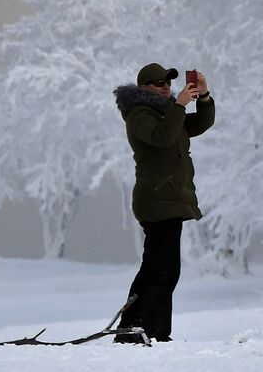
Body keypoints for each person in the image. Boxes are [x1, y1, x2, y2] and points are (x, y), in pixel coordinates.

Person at [111, 63, 215, 344]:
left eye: (168, 83)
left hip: (167, 199)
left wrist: (203, 98)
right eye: (159, 83)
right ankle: (152, 332)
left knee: (154, 268)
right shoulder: (139, 114)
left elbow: (198, 125)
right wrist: (179, 105)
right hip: (157, 200)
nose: (166, 87)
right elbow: (162, 137)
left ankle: (132, 330)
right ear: (144, 88)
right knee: (164, 270)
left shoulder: (166, 112)